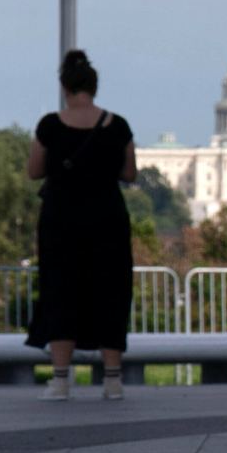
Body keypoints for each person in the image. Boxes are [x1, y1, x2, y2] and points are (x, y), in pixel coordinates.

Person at [27, 50, 137, 402]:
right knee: (111, 293)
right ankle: (113, 380)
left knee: (60, 293)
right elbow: (130, 173)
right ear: (95, 86)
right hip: (107, 219)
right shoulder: (117, 126)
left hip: (61, 220)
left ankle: (60, 380)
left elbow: (34, 170)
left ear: (64, 87)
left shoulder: (49, 125)